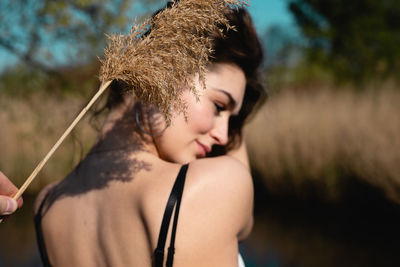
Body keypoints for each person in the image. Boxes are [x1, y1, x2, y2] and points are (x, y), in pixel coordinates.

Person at [34, 4, 265, 267]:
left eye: (230, 122)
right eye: (218, 106)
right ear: (166, 69)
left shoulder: (47, 204)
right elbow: (244, 226)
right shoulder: (213, 187)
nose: (224, 136)